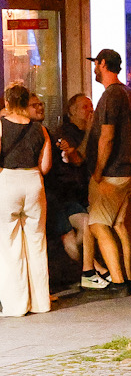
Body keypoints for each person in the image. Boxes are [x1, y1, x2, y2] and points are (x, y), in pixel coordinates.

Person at [85, 49, 131, 290]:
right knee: (118, 224)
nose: (94, 68)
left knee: (97, 225)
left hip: (110, 173)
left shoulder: (109, 96)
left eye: (96, 63)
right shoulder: (130, 94)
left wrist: (97, 171)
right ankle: (129, 276)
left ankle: (118, 280)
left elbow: (106, 137)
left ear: (103, 64)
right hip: (127, 169)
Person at [1, 84, 52, 316]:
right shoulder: (40, 130)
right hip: (34, 182)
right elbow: (45, 166)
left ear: (7, 102)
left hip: (8, 180)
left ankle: (16, 305)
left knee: (10, 244)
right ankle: (42, 303)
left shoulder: (1, 126)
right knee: (37, 242)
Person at [50, 94, 99, 288]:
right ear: (72, 111)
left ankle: (88, 267)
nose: (90, 111)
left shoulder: (90, 132)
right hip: (65, 195)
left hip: (84, 191)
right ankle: (89, 269)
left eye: (91, 106)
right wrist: (88, 131)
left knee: (88, 228)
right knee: (78, 230)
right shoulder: (65, 134)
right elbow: (77, 158)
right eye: (85, 107)